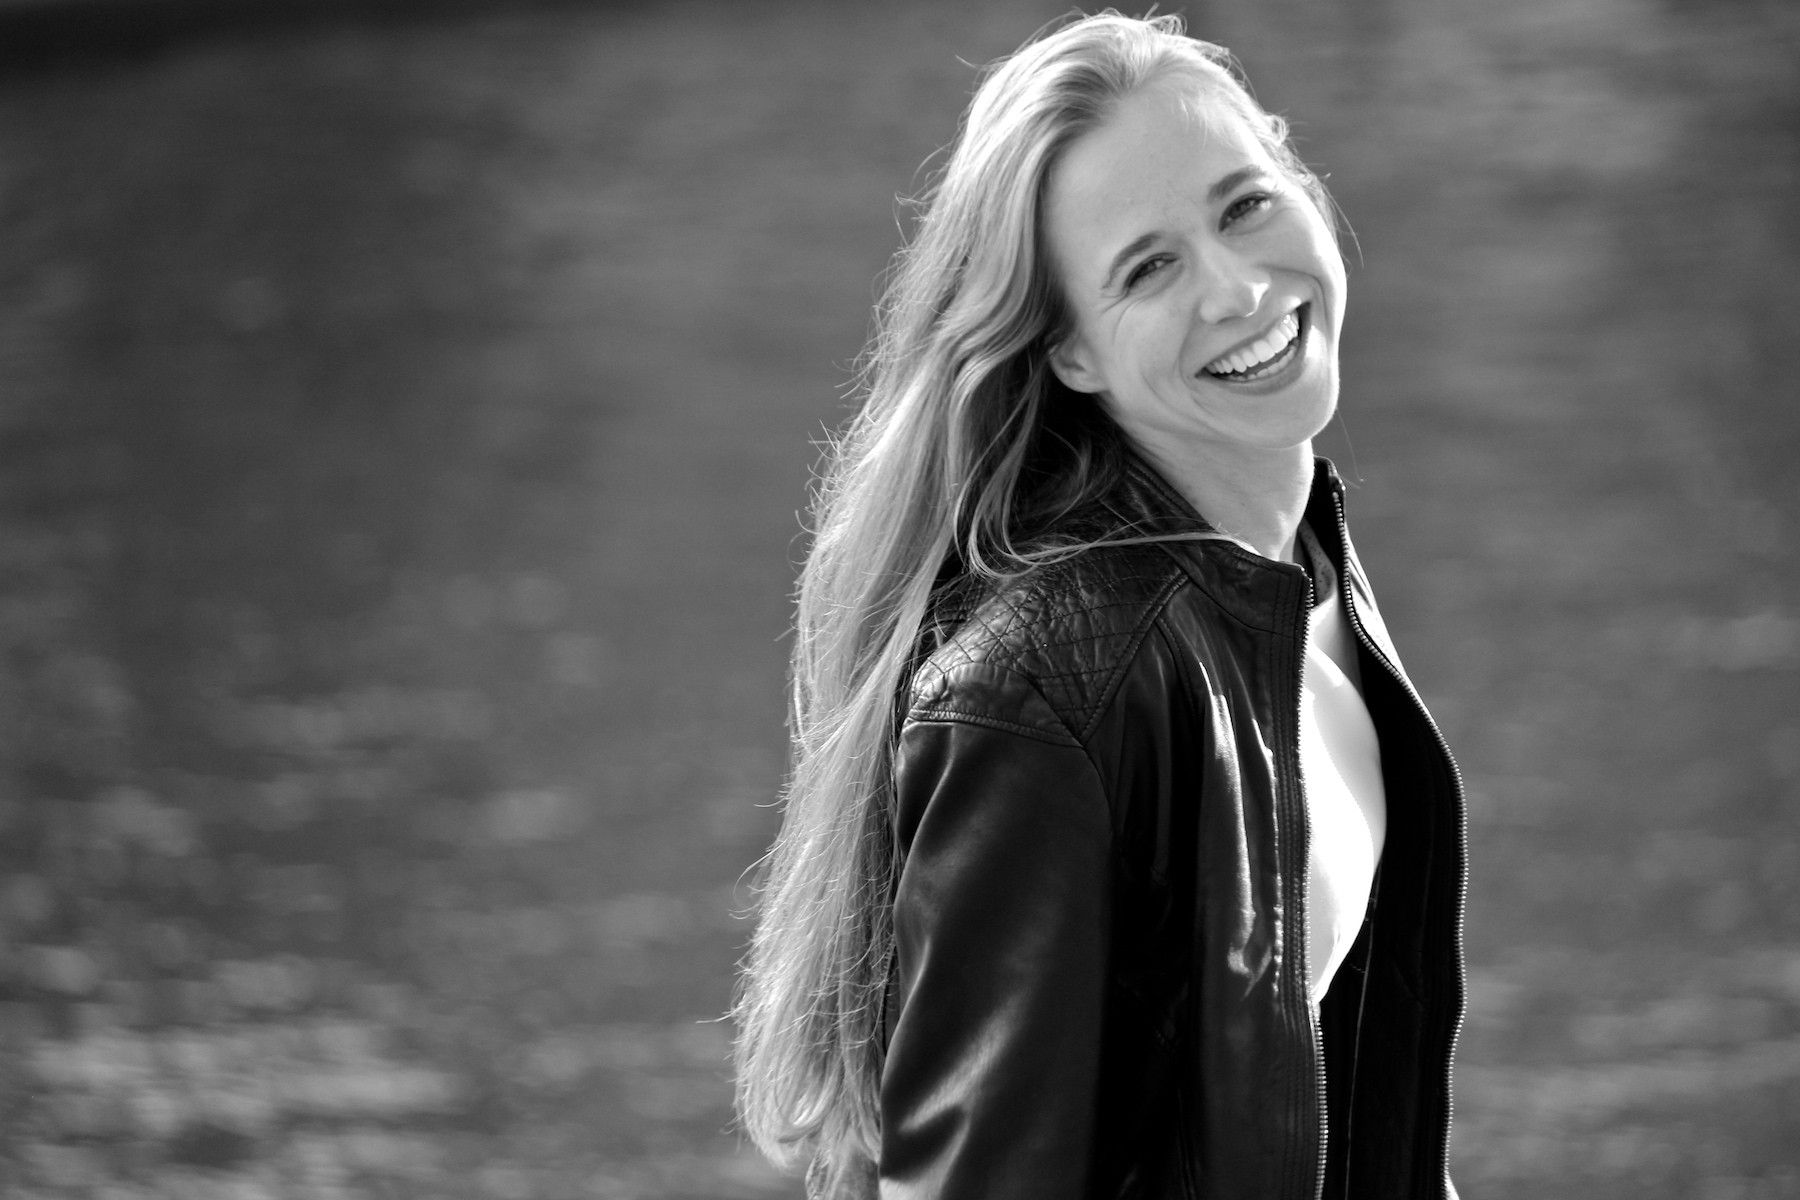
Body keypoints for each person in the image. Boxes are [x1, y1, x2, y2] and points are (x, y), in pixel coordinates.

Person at [733, 12, 1466, 1199]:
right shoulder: (1049, 688)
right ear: (1068, 352)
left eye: (1244, 205)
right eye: (1147, 268)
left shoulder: (1293, 566)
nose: (1238, 288)